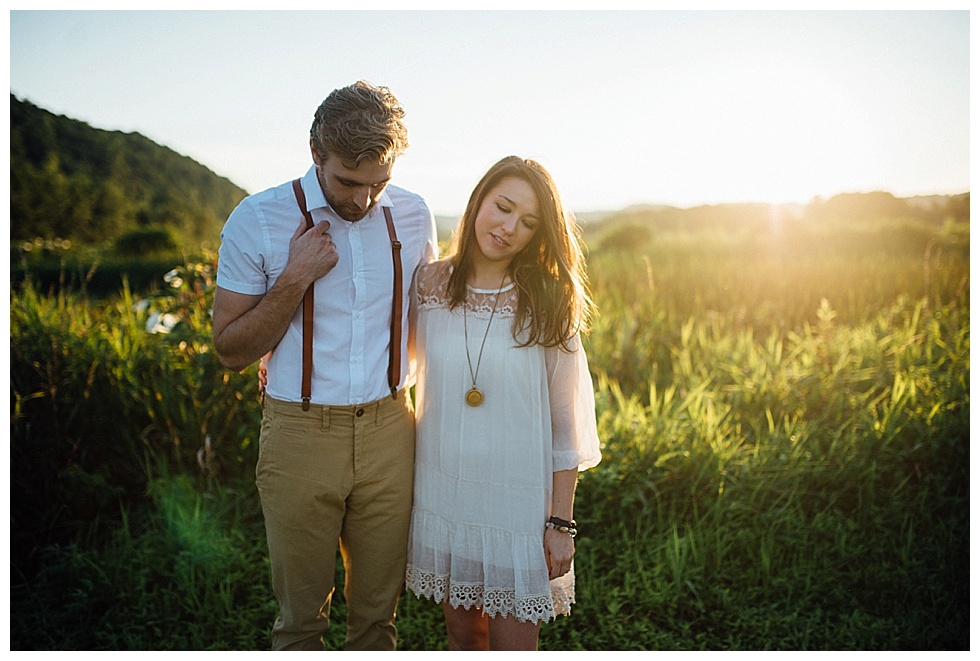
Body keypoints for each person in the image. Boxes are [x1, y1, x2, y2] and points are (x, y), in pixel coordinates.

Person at [212, 81, 439, 651]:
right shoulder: (257, 219)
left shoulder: (413, 216)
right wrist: (293, 279)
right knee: (299, 624)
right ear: (316, 152)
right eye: (348, 181)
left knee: (377, 622)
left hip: (392, 429)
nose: (364, 200)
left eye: (378, 183)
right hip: (299, 431)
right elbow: (231, 350)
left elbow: (427, 327)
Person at [404, 156, 602, 650]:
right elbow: (388, 362)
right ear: (480, 201)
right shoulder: (428, 285)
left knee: (514, 644)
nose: (509, 227)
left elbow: (566, 424)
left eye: (528, 222)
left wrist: (561, 523)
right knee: (463, 636)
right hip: (444, 492)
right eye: (504, 207)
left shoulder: (548, 297)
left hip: (517, 503)